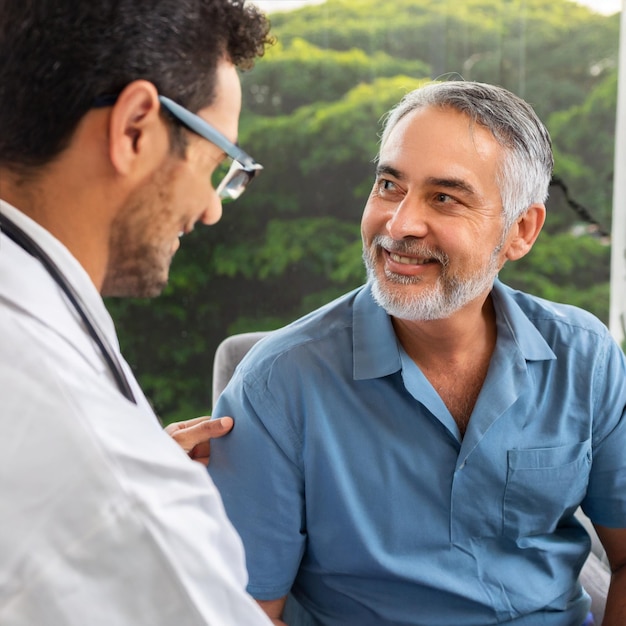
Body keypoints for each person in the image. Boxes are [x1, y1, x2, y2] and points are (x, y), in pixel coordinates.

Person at [209, 80, 626, 625]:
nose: (400, 224)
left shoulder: (586, 356)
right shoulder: (276, 383)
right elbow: (248, 612)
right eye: (388, 184)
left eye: (445, 197)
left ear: (521, 231)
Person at [0, 0, 274, 624]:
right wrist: (141, 483)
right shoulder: (116, 490)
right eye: (214, 162)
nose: (212, 207)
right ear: (135, 130)